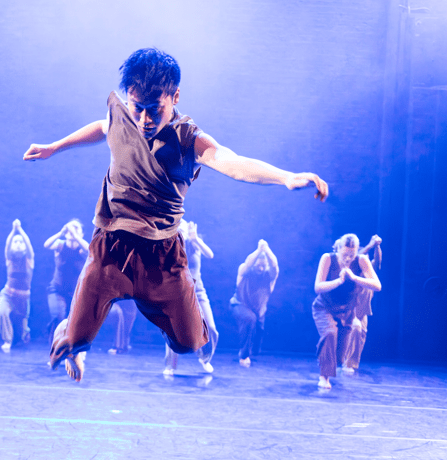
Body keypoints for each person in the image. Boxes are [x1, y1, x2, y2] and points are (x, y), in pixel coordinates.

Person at [24, 47, 328, 382]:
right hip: (111, 246)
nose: (144, 120)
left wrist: (285, 177)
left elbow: (232, 162)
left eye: (155, 110)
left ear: (175, 96)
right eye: (137, 109)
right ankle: (73, 333)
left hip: (162, 255)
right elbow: (103, 126)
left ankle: (147, 302)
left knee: (188, 343)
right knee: (77, 339)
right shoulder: (124, 118)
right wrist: (55, 146)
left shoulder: (188, 139)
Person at [312, 234, 381, 389]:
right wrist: (339, 280)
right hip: (325, 307)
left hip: (347, 312)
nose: (348, 259)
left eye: (352, 255)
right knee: (330, 333)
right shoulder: (328, 259)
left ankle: (329, 361)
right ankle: (324, 377)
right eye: (344, 255)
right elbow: (318, 287)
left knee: (340, 356)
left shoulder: (361, 260)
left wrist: (354, 277)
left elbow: (377, 285)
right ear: (337, 250)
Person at [164, 220, 218, 375]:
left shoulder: (194, 244)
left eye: (182, 229)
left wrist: (195, 239)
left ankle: (205, 357)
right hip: (177, 294)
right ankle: (170, 365)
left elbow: (210, 254)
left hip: (197, 292)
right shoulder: (170, 247)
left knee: (211, 328)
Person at [230, 239, 279, 368]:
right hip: (239, 305)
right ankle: (243, 355)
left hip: (259, 312)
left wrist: (267, 249)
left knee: (256, 344)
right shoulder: (245, 271)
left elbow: (274, 265)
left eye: (263, 266)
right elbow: (247, 262)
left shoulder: (270, 276)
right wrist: (259, 250)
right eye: (258, 266)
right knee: (249, 318)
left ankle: (251, 352)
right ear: (253, 265)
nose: (261, 268)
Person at [43, 219, 89, 342]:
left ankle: (69, 351)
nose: (72, 230)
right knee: (58, 317)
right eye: (70, 228)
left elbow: (91, 250)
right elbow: (46, 244)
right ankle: (54, 352)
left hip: (75, 293)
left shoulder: (83, 248)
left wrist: (75, 235)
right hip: (57, 289)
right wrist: (61, 232)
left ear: (82, 234)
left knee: (73, 323)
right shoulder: (60, 244)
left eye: (76, 228)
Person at [344, 235, 383, 371]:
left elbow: (377, 262)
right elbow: (357, 257)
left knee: (360, 338)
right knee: (355, 328)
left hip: (363, 311)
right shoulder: (352, 270)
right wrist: (370, 245)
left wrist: (377, 246)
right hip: (350, 309)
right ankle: (346, 364)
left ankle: (350, 365)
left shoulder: (369, 272)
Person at [0, 219, 34, 353]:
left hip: (23, 300)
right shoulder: (10, 258)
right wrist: (13, 230)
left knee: (21, 337)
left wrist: (20, 230)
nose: (18, 244)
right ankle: (7, 340)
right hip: (7, 295)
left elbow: (29, 246)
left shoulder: (29, 259)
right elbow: (7, 245)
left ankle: (24, 332)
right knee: (3, 312)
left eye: (20, 242)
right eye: (15, 242)